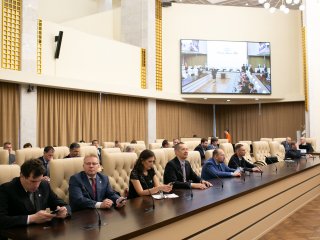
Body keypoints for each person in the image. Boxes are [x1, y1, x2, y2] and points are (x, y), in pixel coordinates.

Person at [0, 159, 71, 229]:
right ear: (22, 175)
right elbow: (2, 219)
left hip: (41, 232)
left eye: (39, 180)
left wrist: (64, 211)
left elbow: (63, 204)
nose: (37, 185)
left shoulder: (44, 185)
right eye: (33, 181)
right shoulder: (6, 189)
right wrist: (31, 218)